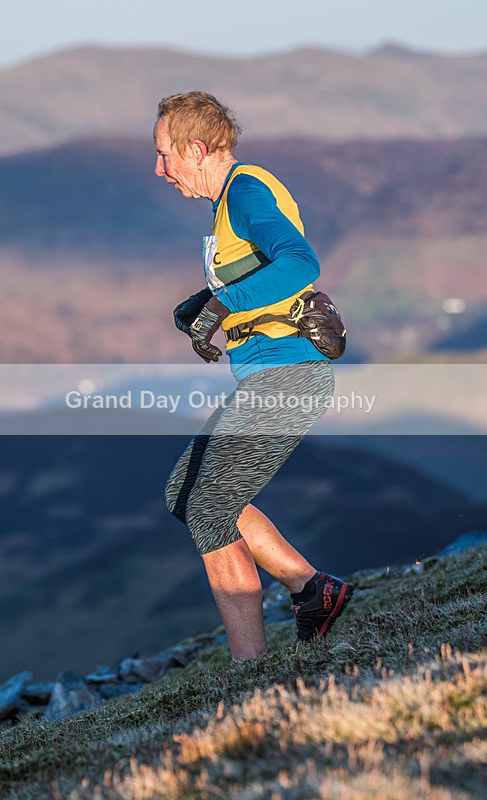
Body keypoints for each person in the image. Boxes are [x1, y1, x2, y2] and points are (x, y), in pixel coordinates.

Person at [154, 91, 354, 663]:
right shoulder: (229, 203)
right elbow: (263, 274)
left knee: (209, 508)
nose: (159, 168)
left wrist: (223, 305)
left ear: (197, 148)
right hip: (269, 374)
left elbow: (299, 262)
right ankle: (313, 589)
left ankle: (249, 672)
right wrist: (205, 303)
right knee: (184, 493)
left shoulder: (244, 191)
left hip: (288, 375)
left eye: (165, 154)